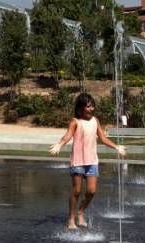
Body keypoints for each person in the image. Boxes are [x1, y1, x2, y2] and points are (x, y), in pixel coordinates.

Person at [49, 92, 126, 230]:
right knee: (77, 191)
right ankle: (71, 219)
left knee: (91, 191)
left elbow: (103, 138)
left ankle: (80, 212)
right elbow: (67, 136)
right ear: (80, 108)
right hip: (78, 161)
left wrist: (116, 147)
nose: (91, 109)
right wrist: (59, 144)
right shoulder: (75, 121)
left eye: (92, 106)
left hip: (92, 161)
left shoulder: (95, 121)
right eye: (88, 106)